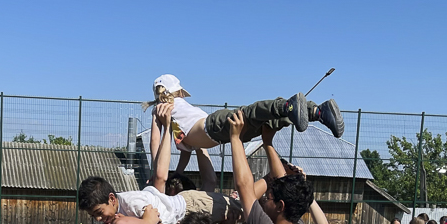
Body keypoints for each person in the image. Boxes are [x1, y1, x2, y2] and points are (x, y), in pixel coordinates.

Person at [143, 74, 344, 155]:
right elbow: (187, 152)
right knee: (267, 123)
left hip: (214, 127)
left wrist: (155, 168)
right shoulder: (180, 112)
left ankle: (287, 106)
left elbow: (154, 139)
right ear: (178, 92)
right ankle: (318, 112)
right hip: (226, 136)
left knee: (249, 113)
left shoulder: (162, 110)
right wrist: (175, 174)